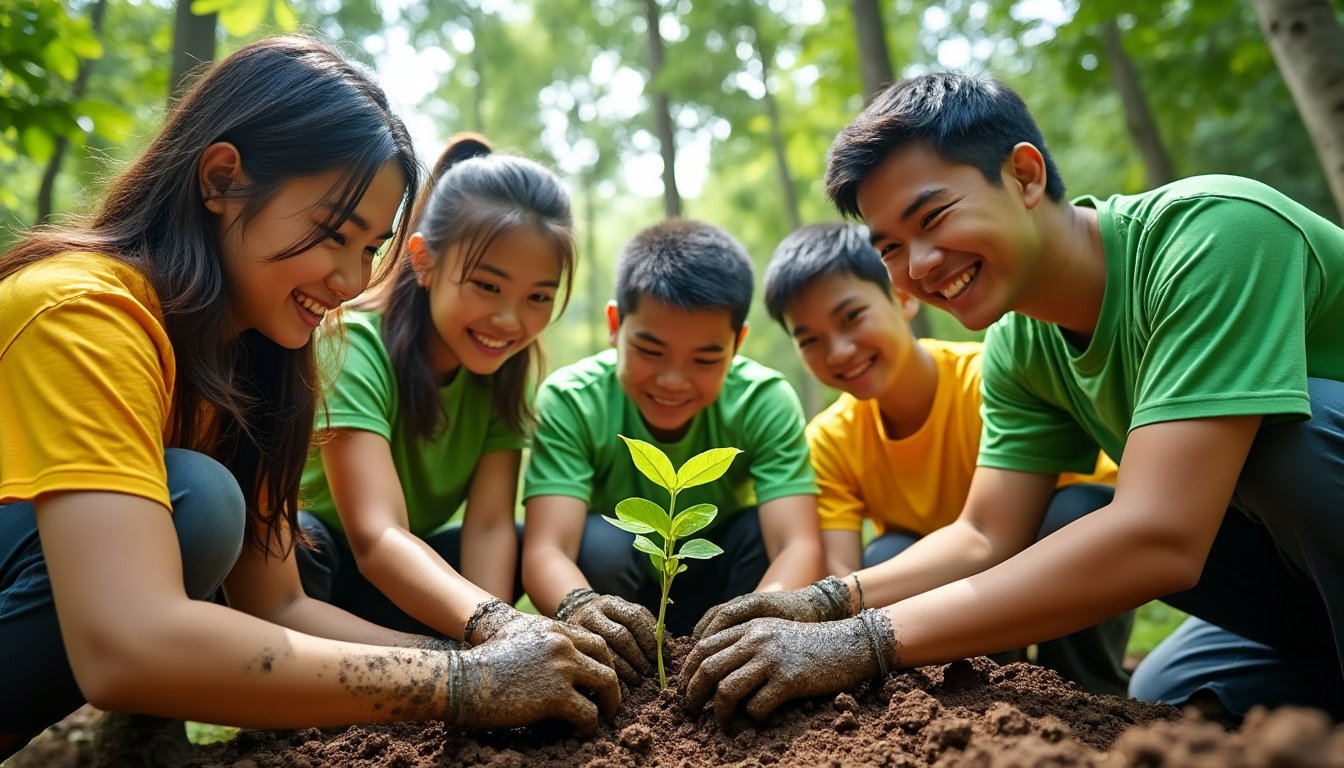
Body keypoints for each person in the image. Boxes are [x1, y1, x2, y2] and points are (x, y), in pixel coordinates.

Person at [0, 36, 617, 760]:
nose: (352, 279)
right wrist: (461, 681)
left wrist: (483, 667)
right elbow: (125, 644)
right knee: (199, 499)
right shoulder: (78, 312)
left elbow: (283, 605)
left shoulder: (258, 361)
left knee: (204, 501)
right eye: (334, 234)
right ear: (223, 179)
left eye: (369, 248)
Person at [681, 71, 1344, 725]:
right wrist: (826, 603)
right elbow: (984, 534)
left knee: (1284, 440)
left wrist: (865, 642)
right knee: (1176, 693)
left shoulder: (1212, 236)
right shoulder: (1023, 346)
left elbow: (1160, 532)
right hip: (1295, 584)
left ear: (1025, 175)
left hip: (1305, 484)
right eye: (891, 247)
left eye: (934, 216)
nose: (919, 265)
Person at [761, 221, 1131, 696]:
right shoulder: (830, 440)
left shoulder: (989, 384)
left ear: (904, 299)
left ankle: (1089, 695)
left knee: (1075, 511)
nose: (839, 351)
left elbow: (1103, 509)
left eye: (852, 317)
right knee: (884, 555)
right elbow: (843, 571)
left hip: (1052, 571)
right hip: (947, 603)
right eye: (809, 339)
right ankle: (969, 696)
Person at [295, 134, 575, 640]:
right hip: (324, 580)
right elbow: (376, 535)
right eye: (487, 286)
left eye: (538, 296)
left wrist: (500, 639)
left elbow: (488, 525)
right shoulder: (356, 343)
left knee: (511, 541)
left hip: (407, 585)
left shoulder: (507, 371)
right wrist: (495, 631)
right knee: (298, 544)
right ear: (423, 261)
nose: (509, 320)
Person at [522, 218, 826, 683]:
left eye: (705, 359)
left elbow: (797, 543)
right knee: (599, 542)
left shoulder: (762, 399)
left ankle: (738, 662)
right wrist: (581, 607)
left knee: (755, 537)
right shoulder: (572, 400)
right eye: (650, 350)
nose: (672, 381)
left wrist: (763, 620)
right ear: (614, 326)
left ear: (736, 344)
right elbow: (548, 548)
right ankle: (621, 672)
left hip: (720, 589)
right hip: (616, 591)